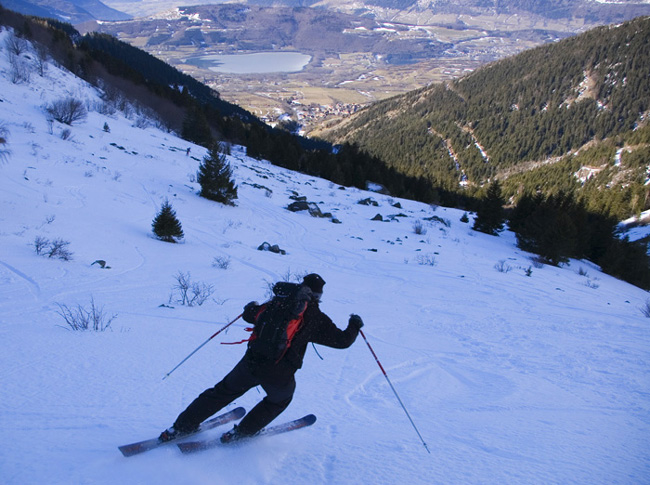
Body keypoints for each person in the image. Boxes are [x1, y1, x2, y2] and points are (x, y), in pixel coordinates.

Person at [159, 273, 364, 443]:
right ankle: (244, 432)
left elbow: (250, 314)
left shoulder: (276, 303)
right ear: (317, 295)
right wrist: (354, 325)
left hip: (251, 362)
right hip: (279, 372)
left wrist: (251, 307)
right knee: (280, 399)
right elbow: (342, 341)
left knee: (222, 392)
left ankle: (180, 428)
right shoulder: (315, 318)